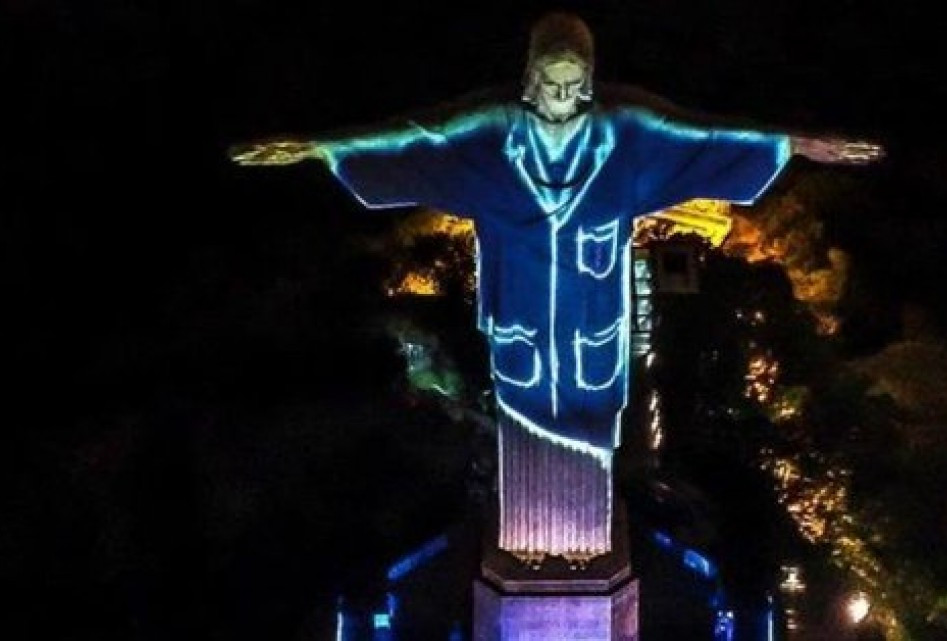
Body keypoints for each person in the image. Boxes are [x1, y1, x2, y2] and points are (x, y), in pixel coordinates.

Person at [230, 12, 883, 563]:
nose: (561, 96)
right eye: (550, 82)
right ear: (529, 79)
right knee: (523, 427)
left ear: (590, 83)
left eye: (574, 84)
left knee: (593, 427)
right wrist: (322, 147)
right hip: (520, 321)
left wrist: (793, 143)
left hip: (592, 322)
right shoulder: (491, 135)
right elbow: (416, 137)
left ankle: (584, 543)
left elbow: (703, 135)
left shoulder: (624, 134)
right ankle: (526, 541)